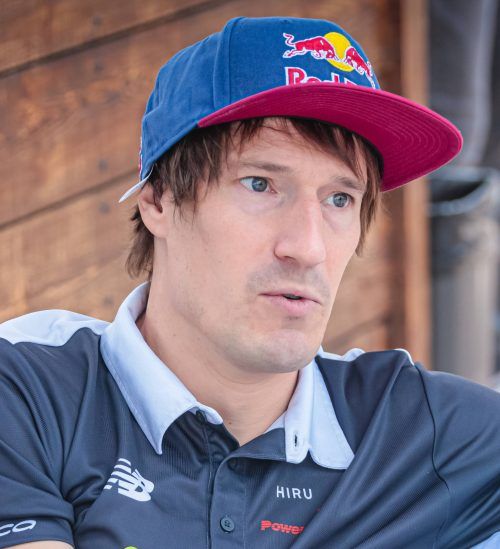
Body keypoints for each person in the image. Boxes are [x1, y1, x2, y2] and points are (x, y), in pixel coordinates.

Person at [0, 16, 498, 549]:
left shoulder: (418, 430)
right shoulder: (31, 388)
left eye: (339, 199)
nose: (307, 247)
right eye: (260, 184)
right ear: (158, 202)